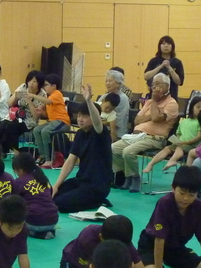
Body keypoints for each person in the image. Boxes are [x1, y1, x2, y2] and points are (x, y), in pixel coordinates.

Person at [138, 166, 201, 268]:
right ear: (173, 187)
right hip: (150, 246)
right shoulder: (164, 203)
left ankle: (173, 264)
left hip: (175, 248)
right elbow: (159, 239)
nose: (186, 198)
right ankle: (141, 264)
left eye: (191, 194)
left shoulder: (198, 207)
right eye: (182, 193)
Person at [112, 73, 179, 193]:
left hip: (154, 138)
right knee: (114, 148)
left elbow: (157, 119)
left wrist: (154, 101)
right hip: (137, 135)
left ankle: (136, 178)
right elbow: (137, 120)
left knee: (128, 152)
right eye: (153, 84)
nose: (154, 87)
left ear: (167, 86)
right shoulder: (148, 103)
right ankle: (128, 176)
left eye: (157, 84)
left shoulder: (171, 104)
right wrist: (151, 115)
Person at [52, 85, 112, 213]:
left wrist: (89, 101)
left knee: (61, 204)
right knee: (51, 195)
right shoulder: (80, 134)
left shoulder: (101, 133)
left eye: (85, 116)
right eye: (79, 116)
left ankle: (98, 200)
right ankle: (90, 200)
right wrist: (56, 185)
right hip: (81, 181)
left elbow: (97, 123)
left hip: (97, 186)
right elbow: (70, 160)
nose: (80, 119)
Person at [142, 95, 201, 173]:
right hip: (181, 143)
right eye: (198, 107)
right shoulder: (184, 121)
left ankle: (172, 160)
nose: (200, 109)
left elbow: (199, 136)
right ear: (192, 108)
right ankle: (150, 164)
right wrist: (177, 140)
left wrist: (184, 142)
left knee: (180, 148)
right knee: (167, 149)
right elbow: (179, 133)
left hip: (193, 146)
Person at [0, 70, 47, 156]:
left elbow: (36, 117)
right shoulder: (23, 87)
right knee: (3, 125)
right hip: (16, 115)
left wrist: (29, 101)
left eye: (34, 81)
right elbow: (9, 104)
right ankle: (0, 150)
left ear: (40, 83)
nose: (31, 83)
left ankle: (15, 152)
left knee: (11, 126)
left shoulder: (42, 95)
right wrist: (15, 97)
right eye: (29, 80)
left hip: (29, 120)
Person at [12, 153, 58, 239]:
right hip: (53, 221)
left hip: (33, 223)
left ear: (21, 170)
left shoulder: (19, 181)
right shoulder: (43, 179)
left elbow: (12, 202)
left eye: (16, 171)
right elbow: (50, 194)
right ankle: (46, 231)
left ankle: (34, 232)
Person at [30, 73, 71, 168]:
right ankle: (43, 156)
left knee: (45, 131)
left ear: (54, 86)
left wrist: (33, 96)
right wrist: (41, 111)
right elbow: (48, 113)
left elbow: (47, 101)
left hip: (62, 122)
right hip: (53, 122)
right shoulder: (50, 96)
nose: (44, 87)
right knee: (37, 130)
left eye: (46, 84)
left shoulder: (57, 94)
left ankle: (49, 159)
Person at [97, 70, 129, 139]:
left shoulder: (123, 98)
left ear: (118, 83)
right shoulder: (104, 96)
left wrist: (97, 122)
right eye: (106, 81)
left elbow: (117, 121)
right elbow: (96, 111)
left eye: (110, 81)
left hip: (116, 133)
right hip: (102, 129)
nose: (107, 83)